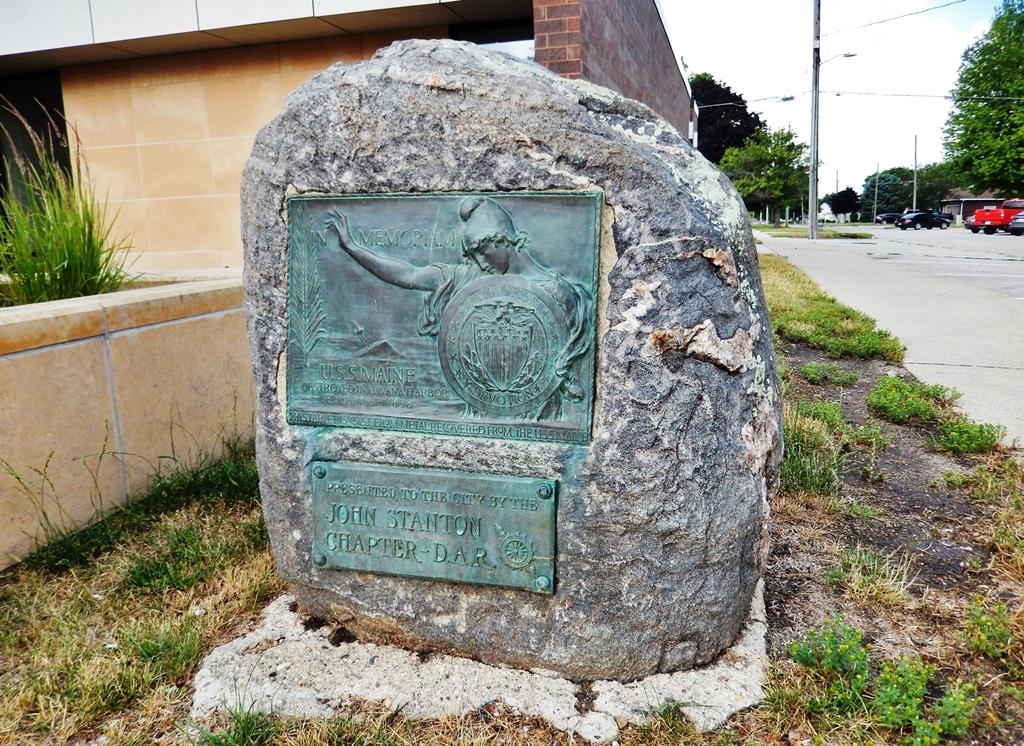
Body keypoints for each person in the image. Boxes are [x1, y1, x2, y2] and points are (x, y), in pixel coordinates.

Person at [324, 197, 592, 419]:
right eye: (474, 256)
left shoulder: (558, 293)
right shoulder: (468, 278)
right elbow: (410, 275)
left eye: (483, 252)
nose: (481, 263)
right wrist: (352, 248)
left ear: (502, 240)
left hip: (536, 418)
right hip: (479, 417)